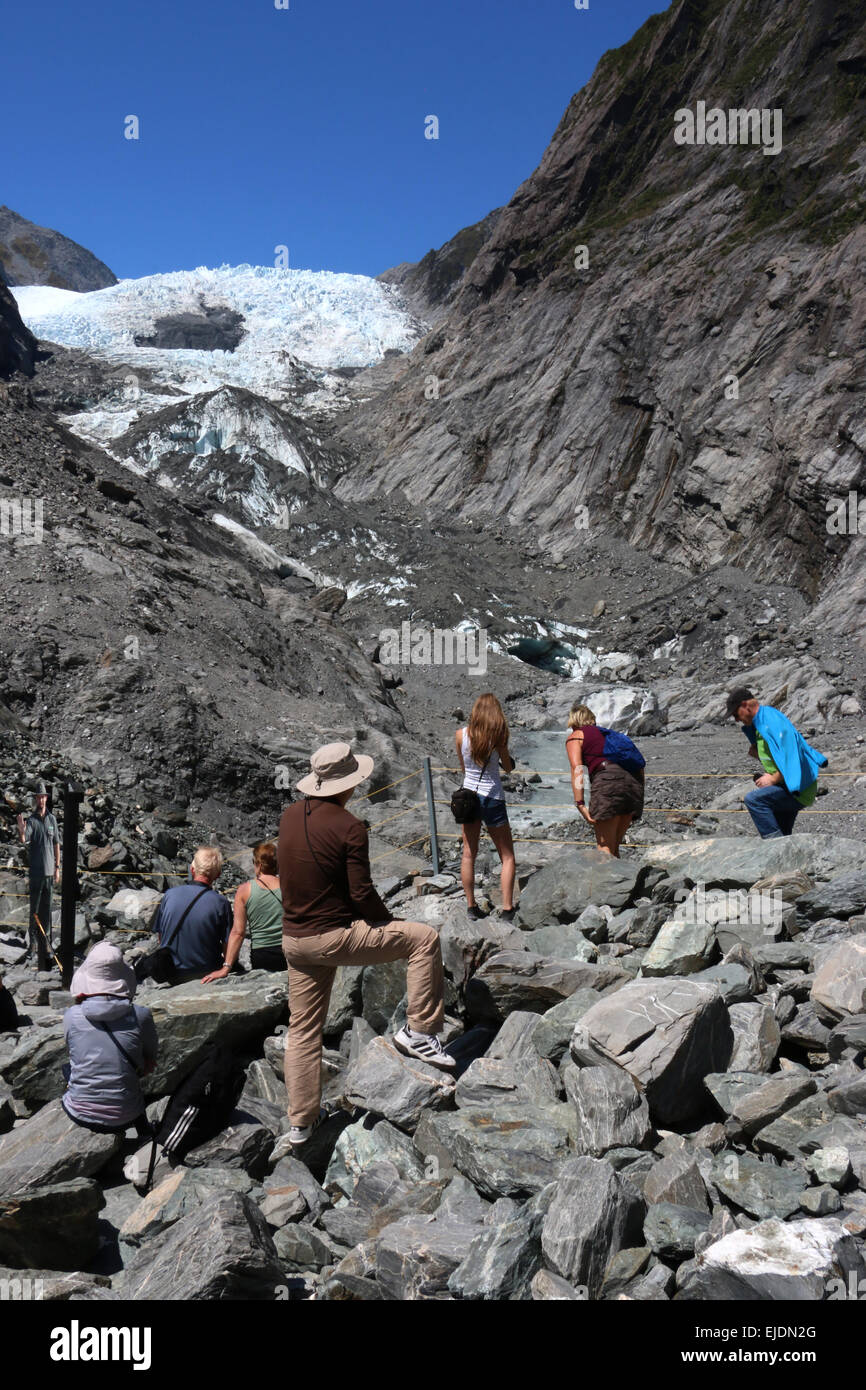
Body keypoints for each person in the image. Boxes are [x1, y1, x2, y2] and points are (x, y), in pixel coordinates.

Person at [278, 741, 454, 1146]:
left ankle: (300, 1125)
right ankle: (420, 1031)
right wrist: (385, 922)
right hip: (334, 936)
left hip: (294, 940)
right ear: (347, 784)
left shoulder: (289, 816)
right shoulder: (351, 827)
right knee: (423, 939)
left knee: (303, 1030)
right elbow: (361, 892)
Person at [62, 941, 157, 1138]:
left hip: (80, 1113)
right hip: (128, 1114)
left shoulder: (72, 1015)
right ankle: (145, 1132)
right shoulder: (141, 1015)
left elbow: (73, 1052)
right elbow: (150, 1062)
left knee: (68, 1068)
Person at [726, 689, 828, 838]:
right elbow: (778, 754)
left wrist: (773, 779)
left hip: (798, 788)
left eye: (736, 714)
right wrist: (759, 755)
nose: (736, 719)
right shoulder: (761, 722)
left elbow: (792, 753)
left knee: (754, 801)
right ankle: (785, 855)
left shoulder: (770, 721)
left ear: (745, 705)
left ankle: (775, 849)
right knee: (783, 834)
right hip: (788, 785)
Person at [455, 694, 516, 922]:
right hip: (492, 796)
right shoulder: (498, 736)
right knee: (507, 856)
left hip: (468, 797)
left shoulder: (461, 735)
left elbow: (464, 768)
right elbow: (508, 768)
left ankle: (471, 907)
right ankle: (507, 909)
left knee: (469, 853)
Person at [566, 704, 644, 857]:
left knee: (604, 848)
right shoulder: (612, 736)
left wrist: (580, 804)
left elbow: (577, 769)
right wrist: (639, 797)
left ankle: (605, 881)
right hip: (633, 785)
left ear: (574, 721)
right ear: (592, 720)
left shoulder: (576, 736)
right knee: (614, 848)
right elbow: (640, 766)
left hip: (608, 782)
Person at [203, 841, 285, 982]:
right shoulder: (288, 885)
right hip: (288, 950)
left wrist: (226, 967)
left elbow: (238, 932)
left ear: (258, 864)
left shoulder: (244, 890)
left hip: (262, 953)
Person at [151, 847, 233, 984]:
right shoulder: (221, 903)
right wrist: (227, 966)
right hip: (206, 973)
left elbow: (161, 936)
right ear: (217, 875)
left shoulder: (169, 895)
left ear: (192, 870)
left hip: (171, 972)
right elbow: (228, 944)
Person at [16, 780, 60, 970]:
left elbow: (57, 843)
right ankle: (33, 945)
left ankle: (47, 945)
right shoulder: (32, 820)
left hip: (50, 871)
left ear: (46, 799)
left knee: (47, 910)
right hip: (36, 873)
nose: (41, 800)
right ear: (35, 799)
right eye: (39, 797)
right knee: (34, 909)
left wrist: (58, 867)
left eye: (44, 797)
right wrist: (21, 830)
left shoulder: (52, 820)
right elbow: (25, 839)